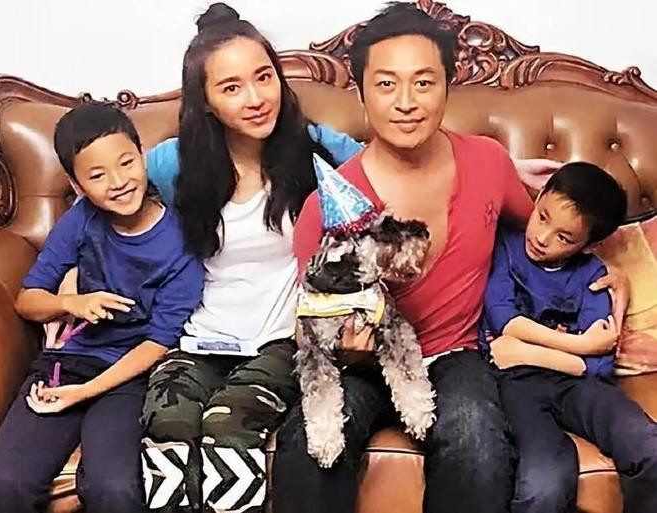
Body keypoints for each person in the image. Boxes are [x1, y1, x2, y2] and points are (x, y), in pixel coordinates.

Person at [272, 4, 534, 513]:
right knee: (307, 446)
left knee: (475, 438)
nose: (407, 102)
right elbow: (311, 321)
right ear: (362, 93)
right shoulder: (326, 208)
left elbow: (540, 237)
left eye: (424, 82)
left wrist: (607, 267)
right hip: (360, 364)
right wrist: (346, 350)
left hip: (454, 352)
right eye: (387, 84)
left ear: (449, 86)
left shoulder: (488, 161)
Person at [139, 4, 352, 513]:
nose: (256, 99)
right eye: (232, 87)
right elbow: (101, 207)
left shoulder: (314, 150)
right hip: (199, 336)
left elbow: (396, 162)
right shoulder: (174, 163)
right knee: (166, 423)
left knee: (228, 425)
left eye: (264, 77)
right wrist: (70, 276)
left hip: (283, 339)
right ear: (207, 103)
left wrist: (497, 165)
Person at [0, 103, 204, 513]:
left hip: (130, 377)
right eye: (97, 175)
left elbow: (158, 343)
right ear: (77, 186)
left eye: (126, 163)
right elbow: (27, 300)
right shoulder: (80, 222)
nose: (118, 182)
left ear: (142, 157)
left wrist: (83, 394)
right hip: (66, 363)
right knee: (7, 481)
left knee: (114, 487)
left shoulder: (182, 241)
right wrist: (71, 303)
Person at [480, 162, 657, 513]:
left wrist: (526, 352)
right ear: (538, 198)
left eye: (564, 237)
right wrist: (579, 346)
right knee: (547, 479)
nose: (542, 237)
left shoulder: (594, 275)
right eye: (542, 217)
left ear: (590, 245)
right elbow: (504, 320)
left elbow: (598, 365)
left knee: (648, 445)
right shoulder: (505, 247)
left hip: (577, 386)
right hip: (514, 385)